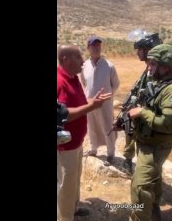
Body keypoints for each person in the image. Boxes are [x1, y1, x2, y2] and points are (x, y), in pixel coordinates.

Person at [127, 44, 172, 221]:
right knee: (153, 180)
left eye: (153, 64)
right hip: (146, 142)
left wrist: (142, 112)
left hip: (157, 145)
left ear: (165, 67)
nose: (149, 67)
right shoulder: (159, 84)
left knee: (140, 187)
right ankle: (153, 212)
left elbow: (167, 124)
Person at [57, 44, 112, 221]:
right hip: (64, 146)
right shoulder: (59, 81)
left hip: (77, 142)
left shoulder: (73, 78)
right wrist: (91, 106)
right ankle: (64, 217)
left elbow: (78, 103)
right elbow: (61, 115)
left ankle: (73, 209)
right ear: (65, 59)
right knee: (66, 184)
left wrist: (93, 101)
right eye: (78, 57)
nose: (83, 60)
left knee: (74, 180)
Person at [122, 32, 162, 172]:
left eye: (139, 49)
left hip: (148, 120)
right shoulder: (149, 69)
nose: (137, 52)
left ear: (148, 50)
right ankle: (131, 162)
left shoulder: (156, 71)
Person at [80, 36, 120, 166]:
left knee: (108, 126)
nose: (96, 48)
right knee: (91, 125)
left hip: (105, 104)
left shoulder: (109, 66)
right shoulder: (84, 66)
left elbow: (116, 84)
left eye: (98, 45)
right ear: (88, 48)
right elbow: (84, 83)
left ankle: (110, 153)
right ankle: (93, 149)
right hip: (90, 103)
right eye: (93, 45)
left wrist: (108, 96)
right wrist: (89, 97)